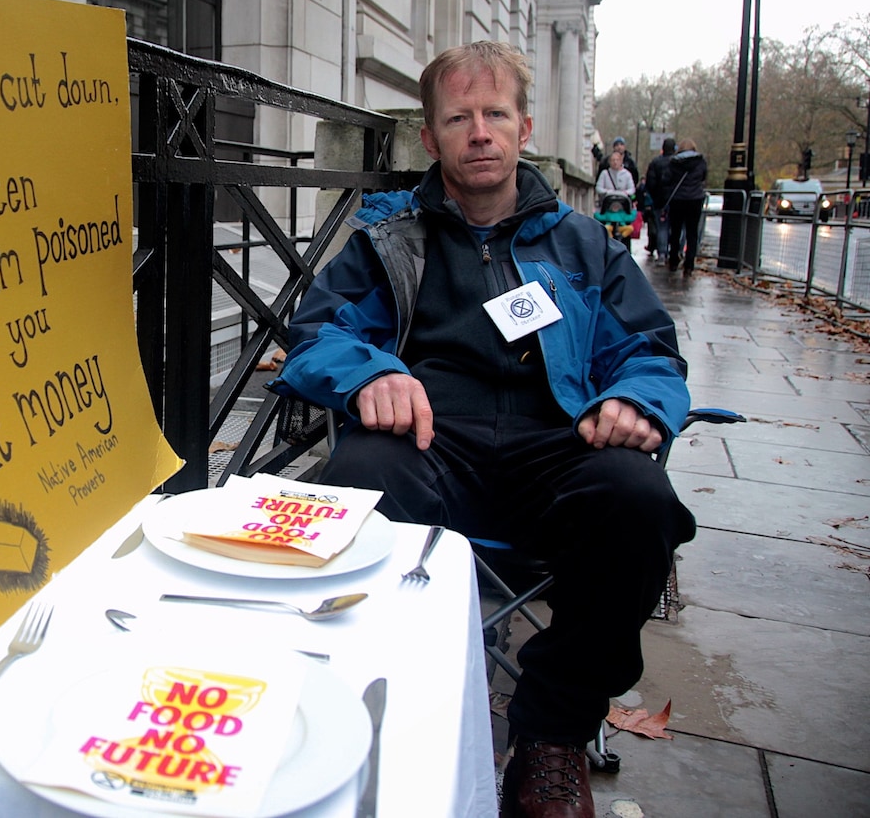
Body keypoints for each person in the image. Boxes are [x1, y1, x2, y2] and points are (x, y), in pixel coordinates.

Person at [270, 41, 693, 818]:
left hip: (559, 448)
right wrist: (371, 373)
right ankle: (393, 709)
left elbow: (649, 350)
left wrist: (636, 398)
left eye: (495, 114)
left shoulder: (584, 245)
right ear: (430, 138)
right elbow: (317, 335)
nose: (479, 133)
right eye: (458, 117)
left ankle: (551, 732)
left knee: (639, 497)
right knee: (356, 478)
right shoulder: (389, 240)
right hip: (432, 444)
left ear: (523, 128)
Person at [664, 139, 709, 276]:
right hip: (695, 199)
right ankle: (689, 264)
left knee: (675, 231)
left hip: (678, 199)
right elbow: (703, 177)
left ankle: (673, 260)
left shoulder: (673, 163)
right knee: (692, 233)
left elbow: (667, 179)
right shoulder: (700, 162)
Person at [643, 137, 677, 260]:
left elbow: (650, 183)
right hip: (676, 200)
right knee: (676, 227)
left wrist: (655, 196)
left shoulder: (655, 163)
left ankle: (662, 253)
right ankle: (676, 251)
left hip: (660, 200)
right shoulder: (678, 162)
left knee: (662, 227)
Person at [594, 152, 636, 244]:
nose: (615, 162)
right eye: (613, 160)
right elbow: (598, 188)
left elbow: (632, 189)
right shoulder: (605, 174)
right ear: (609, 162)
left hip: (623, 208)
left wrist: (625, 193)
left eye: (617, 160)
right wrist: (607, 191)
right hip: (608, 207)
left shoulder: (627, 174)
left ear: (621, 161)